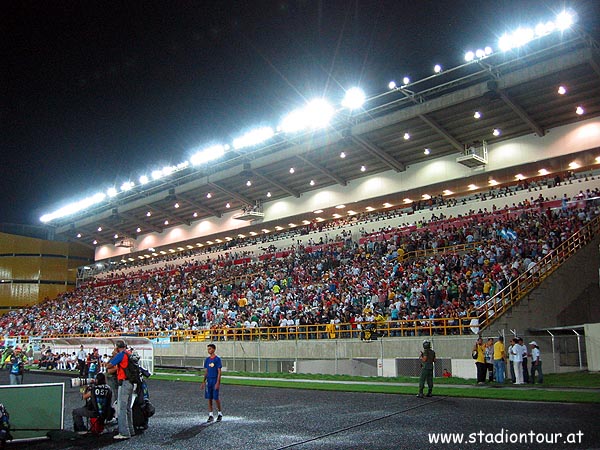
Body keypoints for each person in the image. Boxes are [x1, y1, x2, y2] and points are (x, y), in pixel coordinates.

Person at [107, 340, 135, 440]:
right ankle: (131, 430)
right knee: (128, 408)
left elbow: (109, 365)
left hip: (124, 382)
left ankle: (124, 432)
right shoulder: (129, 353)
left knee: (121, 409)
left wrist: (114, 354)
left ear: (117, 347)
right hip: (131, 382)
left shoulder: (121, 355)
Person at [200, 343, 223, 423]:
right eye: (208, 349)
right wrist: (203, 381)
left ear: (214, 349)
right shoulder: (207, 360)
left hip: (214, 379)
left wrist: (218, 382)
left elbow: (219, 372)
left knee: (216, 398)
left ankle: (220, 413)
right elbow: (206, 371)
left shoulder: (217, 359)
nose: (208, 350)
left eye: (210, 349)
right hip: (209, 380)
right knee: (209, 398)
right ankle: (211, 415)